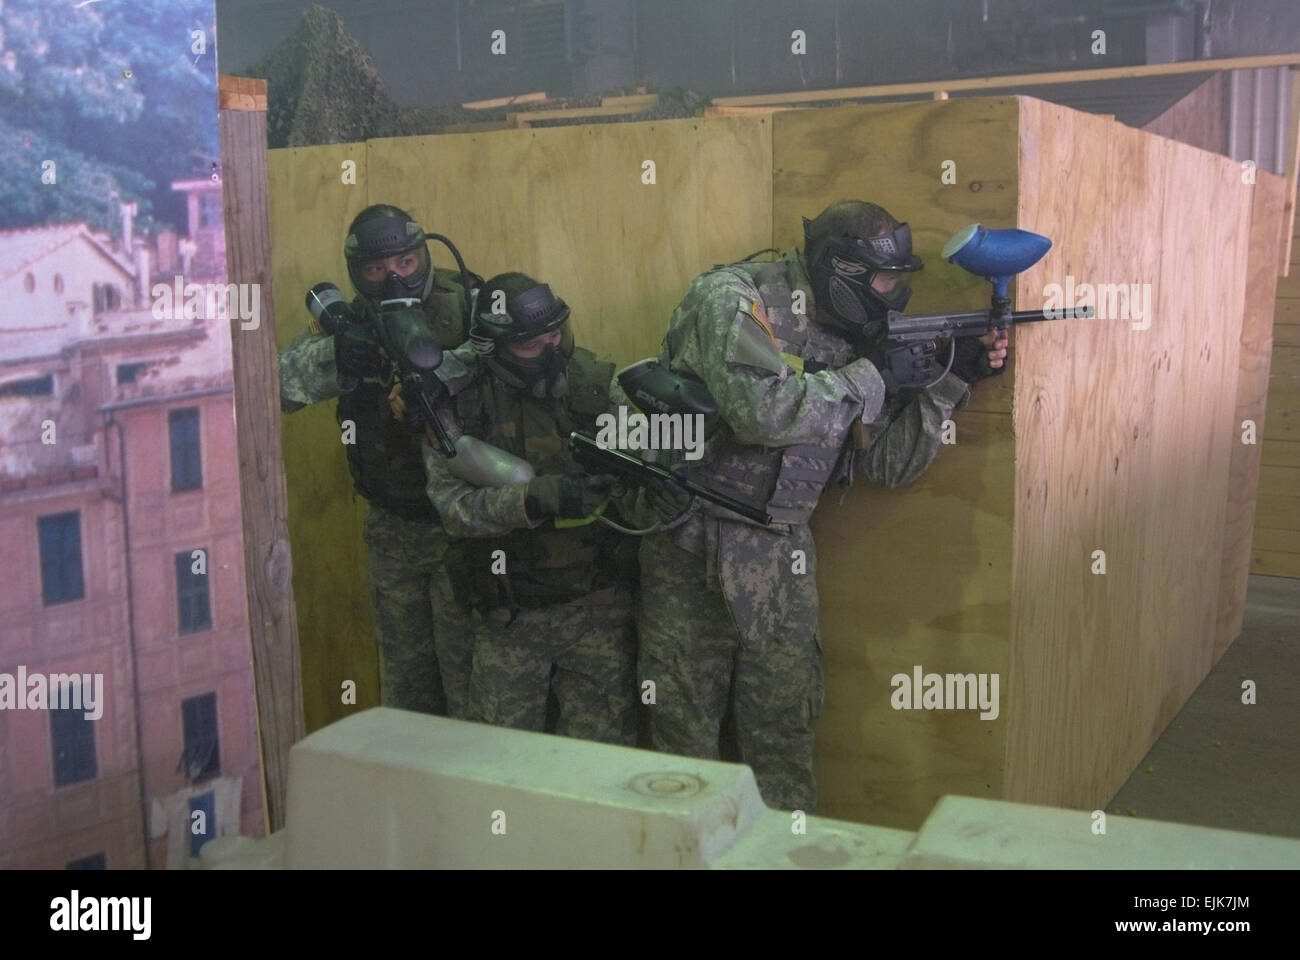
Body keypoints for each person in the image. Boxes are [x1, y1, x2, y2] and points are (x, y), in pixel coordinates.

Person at [635, 200, 1008, 812]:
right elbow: (760, 412)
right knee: (684, 746)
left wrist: (948, 382)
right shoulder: (733, 299)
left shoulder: (854, 339)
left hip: (783, 559)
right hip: (695, 548)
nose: (893, 297)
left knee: (781, 740)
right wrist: (869, 377)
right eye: (885, 281)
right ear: (842, 271)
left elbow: (888, 466)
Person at [416, 272, 638, 745]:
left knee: (600, 766)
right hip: (508, 617)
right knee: (501, 765)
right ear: (493, 348)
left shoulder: (597, 385)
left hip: (595, 609)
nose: (552, 350)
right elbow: (453, 509)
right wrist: (531, 500)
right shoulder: (455, 406)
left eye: (555, 335)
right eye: (531, 345)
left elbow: (643, 476)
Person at [278, 203, 479, 716]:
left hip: (468, 526)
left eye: (406, 263)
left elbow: (512, 356)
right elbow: (278, 387)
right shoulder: (350, 324)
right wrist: (338, 358)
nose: (394, 277)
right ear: (357, 275)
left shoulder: (471, 302)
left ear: (423, 255)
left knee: (471, 684)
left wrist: (438, 376)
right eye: (376, 270)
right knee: (407, 689)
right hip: (393, 525)